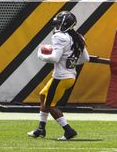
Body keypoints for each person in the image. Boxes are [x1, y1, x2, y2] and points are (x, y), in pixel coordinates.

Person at [27, 11, 90, 140]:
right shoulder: (78, 37)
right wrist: (69, 61)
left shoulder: (60, 37)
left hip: (60, 77)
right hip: (70, 76)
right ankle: (41, 128)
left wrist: (40, 55)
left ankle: (68, 130)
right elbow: (86, 58)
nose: (55, 26)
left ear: (63, 24)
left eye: (57, 23)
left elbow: (54, 58)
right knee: (43, 95)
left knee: (51, 105)